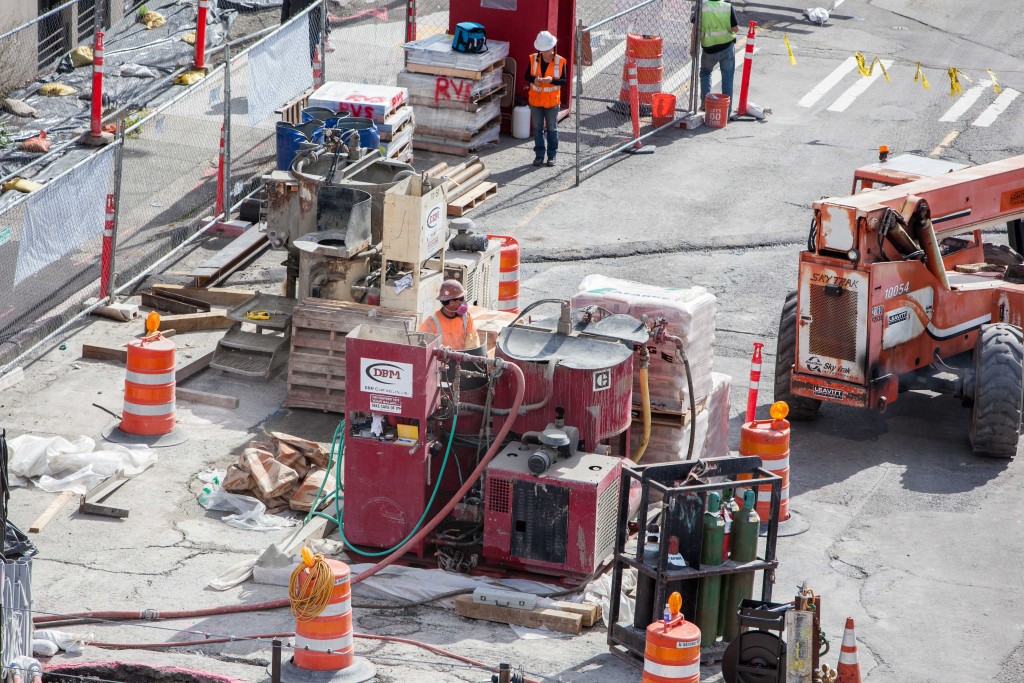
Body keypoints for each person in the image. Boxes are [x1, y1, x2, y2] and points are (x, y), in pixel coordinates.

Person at [525, 30, 567, 168]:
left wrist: (553, 81)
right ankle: (539, 155)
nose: (546, 52)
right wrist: (534, 80)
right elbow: (527, 76)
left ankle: (552, 155)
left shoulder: (560, 61)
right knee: (537, 128)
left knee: (551, 129)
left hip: (552, 101)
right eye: (543, 50)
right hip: (536, 101)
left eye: (548, 49)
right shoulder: (533, 59)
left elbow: (564, 80)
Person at [692, 0, 739, 116]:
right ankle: (726, 112)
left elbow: (695, 29)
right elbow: (735, 29)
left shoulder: (701, 7)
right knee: (727, 77)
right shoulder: (727, 7)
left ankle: (705, 104)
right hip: (727, 47)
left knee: (705, 72)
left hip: (709, 49)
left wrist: (693, 47)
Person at [419, 280, 480, 350]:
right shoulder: (431, 322)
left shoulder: (466, 317)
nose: (463, 302)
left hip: (462, 359)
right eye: (461, 299)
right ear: (451, 302)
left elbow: (473, 347)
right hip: (440, 360)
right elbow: (422, 348)